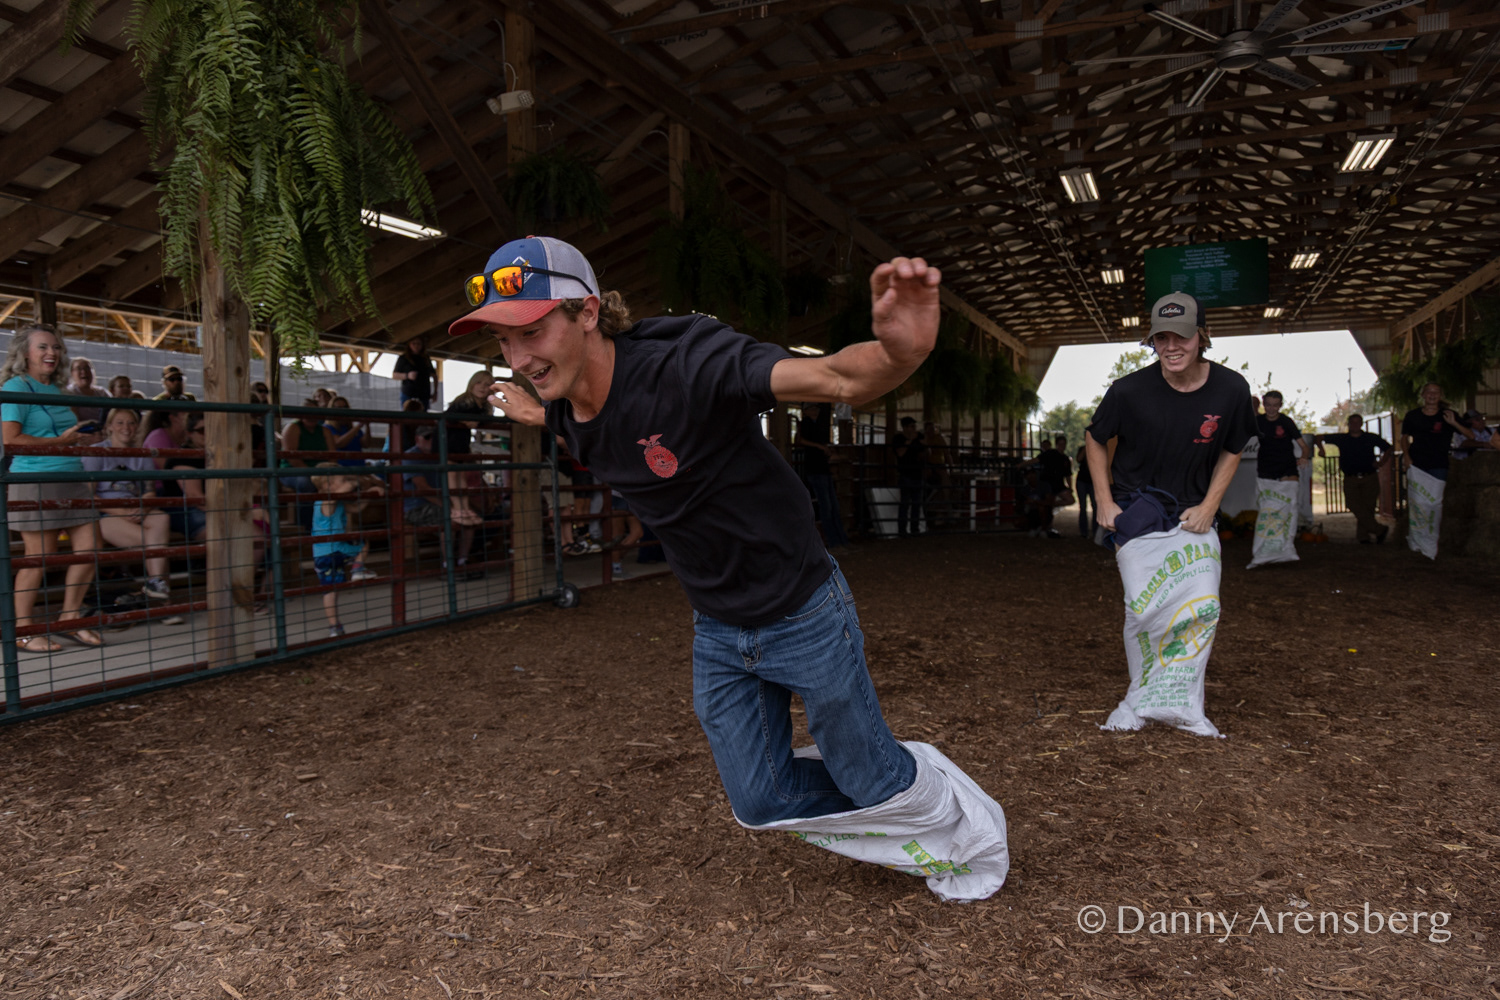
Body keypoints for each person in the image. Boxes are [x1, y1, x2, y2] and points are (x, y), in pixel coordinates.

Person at [467, 235, 1007, 900]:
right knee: (760, 801)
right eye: (504, 341)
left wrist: (902, 354)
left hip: (803, 608)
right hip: (718, 626)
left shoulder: (688, 363)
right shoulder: (564, 406)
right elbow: (585, 432)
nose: (519, 358)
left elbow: (837, 378)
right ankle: (897, 792)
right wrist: (533, 413)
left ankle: (944, 812)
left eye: (532, 331)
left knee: (868, 779)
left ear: (588, 312)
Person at [1086, 292, 1256, 735]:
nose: (1171, 346)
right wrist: (1105, 501)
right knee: (1145, 613)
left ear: (1202, 335)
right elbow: (1095, 438)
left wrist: (1210, 506)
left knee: (1202, 609)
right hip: (1137, 509)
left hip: (1195, 511)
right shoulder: (1128, 390)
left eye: (1181, 336)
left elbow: (1233, 448)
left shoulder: (1231, 388)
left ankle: (1185, 707)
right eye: (1161, 338)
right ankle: (1139, 701)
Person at [1, 324, 106, 652]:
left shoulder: (57, 390)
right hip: (36, 480)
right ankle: (22, 630)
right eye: (43, 347)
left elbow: (62, 435)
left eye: (56, 347)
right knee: (40, 557)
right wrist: (60, 441)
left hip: (71, 476)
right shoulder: (16, 387)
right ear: (25, 353)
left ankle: (69, 618)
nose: (52, 353)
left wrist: (79, 439)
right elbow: (10, 439)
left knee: (91, 547)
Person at [81, 407, 172, 600]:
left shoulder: (142, 454)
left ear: (137, 427)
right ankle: (161, 596)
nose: (126, 427)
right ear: (109, 427)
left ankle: (156, 584)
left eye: (131, 423)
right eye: (120, 423)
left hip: (134, 508)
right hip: (106, 513)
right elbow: (88, 496)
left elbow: (149, 491)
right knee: (156, 546)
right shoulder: (96, 452)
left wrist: (143, 506)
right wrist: (121, 511)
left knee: (162, 519)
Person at [309, 463, 383, 637]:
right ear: (327, 485)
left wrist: (370, 494)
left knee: (330, 590)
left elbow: (356, 507)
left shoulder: (337, 502)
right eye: (342, 480)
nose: (347, 482)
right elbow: (349, 487)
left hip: (324, 553)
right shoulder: (326, 500)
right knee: (362, 544)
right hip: (334, 550)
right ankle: (357, 568)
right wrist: (359, 479)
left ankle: (334, 627)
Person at [401, 426, 479, 576]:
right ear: (417, 439)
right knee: (448, 519)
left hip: (441, 503)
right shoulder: (411, 456)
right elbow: (423, 488)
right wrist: (450, 506)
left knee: (469, 516)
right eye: (427, 437)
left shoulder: (441, 455)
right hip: (417, 507)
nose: (431, 441)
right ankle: (447, 564)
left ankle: (463, 560)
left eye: (434, 437)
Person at [1315, 413, 1392, 543]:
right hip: (1350, 478)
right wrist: (1321, 450)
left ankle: (1363, 537)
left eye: (1357, 422)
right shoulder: (1342, 438)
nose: (1355, 425)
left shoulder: (1370, 437)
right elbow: (1318, 437)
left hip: (1369, 476)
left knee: (1368, 507)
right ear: (1348, 424)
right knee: (1352, 504)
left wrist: (1381, 463)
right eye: (1352, 422)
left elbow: (1388, 448)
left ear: (1361, 424)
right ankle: (1379, 529)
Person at [442, 372, 494, 527]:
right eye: (479, 383)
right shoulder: (464, 401)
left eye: (487, 385)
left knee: (461, 475)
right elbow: (449, 417)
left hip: (461, 442)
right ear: (471, 384)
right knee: (452, 474)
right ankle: (457, 509)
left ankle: (464, 507)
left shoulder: (483, 406)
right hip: (448, 440)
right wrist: (465, 420)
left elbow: (484, 421)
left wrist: (475, 421)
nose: (482, 387)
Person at [796, 402, 849, 549]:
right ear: (806, 411)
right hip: (816, 470)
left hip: (822, 469)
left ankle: (840, 540)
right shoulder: (806, 424)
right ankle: (834, 541)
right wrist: (820, 447)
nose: (815, 411)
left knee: (832, 506)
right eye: (812, 408)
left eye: (816, 408)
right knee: (828, 507)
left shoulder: (817, 426)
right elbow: (800, 440)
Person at [280, 401, 335, 529]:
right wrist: (313, 474)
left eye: (314, 413)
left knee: (339, 481)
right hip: (293, 471)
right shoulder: (292, 428)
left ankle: (336, 523)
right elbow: (292, 459)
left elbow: (333, 456)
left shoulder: (325, 431)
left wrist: (328, 471)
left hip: (320, 471)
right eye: (307, 413)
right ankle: (307, 526)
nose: (311, 417)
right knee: (306, 482)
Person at [1401, 382, 1468, 481]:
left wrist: (1454, 423)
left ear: (1440, 395)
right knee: (1417, 491)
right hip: (1417, 463)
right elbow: (1404, 437)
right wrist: (1406, 457)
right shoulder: (1412, 415)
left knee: (1435, 491)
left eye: (1436, 392)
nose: (1432, 395)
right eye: (1429, 391)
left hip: (1439, 464)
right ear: (1423, 395)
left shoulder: (1448, 414)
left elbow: (1470, 435)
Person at [1254, 391, 1307, 483]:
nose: (1271, 409)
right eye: (1268, 405)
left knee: (1290, 489)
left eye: (1275, 406)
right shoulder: (1257, 421)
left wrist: (1304, 457)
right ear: (1264, 404)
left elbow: (1304, 446)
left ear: (1280, 405)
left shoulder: (1286, 422)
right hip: (1265, 468)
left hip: (1287, 468)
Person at [893, 416, 926, 537]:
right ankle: (902, 530)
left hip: (917, 473)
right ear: (905, 427)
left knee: (916, 503)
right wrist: (910, 441)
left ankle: (914, 529)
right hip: (905, 474)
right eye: (912, 426)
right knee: (905, 503)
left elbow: (925, 451)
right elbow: (900, 453)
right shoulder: (898, 438)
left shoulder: (919, 437)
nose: (914, 429)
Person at [393, 334, 436, 410]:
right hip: (408, 393)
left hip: (424, 394)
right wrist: (407, 376)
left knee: (423, 414)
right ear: (409, 345)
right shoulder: (403, 358)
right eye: (414, 343)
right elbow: (395, 375)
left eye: (418, 344)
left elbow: (434, 375)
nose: (416, 346)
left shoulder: (426, 358)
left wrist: (435, 392)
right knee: (407, 414)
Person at [324, 396, 369, 468]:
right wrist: (359, 426)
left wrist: (367, 425)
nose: (343, 411)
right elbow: (339, 443)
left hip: (359, 466)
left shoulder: (351, 429)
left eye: (345, 407)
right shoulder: (328, 428)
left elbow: (366, 444)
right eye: (339, 408)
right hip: (342, 467)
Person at [65, 357, 111, 424]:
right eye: (79, 368)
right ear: (72, 373)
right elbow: (73, 422)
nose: (84, 371)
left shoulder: (102, 392)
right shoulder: (69, 393)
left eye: (87, 368)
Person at [1074, 444, 1096, 539]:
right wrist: (1086, 448)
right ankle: (1084, 531)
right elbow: (1078, 459)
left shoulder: (1098, 447)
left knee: (1095, 506)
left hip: (1093, 481)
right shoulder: (1083, 449)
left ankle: (1095, 531)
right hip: (1082, 481)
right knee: (1083, 506)